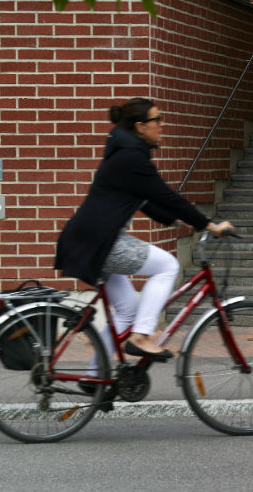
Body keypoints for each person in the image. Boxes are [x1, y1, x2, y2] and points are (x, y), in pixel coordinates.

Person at [55, 97, 234, 360]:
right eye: (156, 120)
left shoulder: (125, 154)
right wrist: (209, 225)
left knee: (128, 312)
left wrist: (176, 221)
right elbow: (166, 196)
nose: (161, 125)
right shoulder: (131, 157)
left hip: (88, 239)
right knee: (168, 266)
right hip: (101, 241)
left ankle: (95, 377)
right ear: (140, 126)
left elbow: (145, 199)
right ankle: (141, 336)